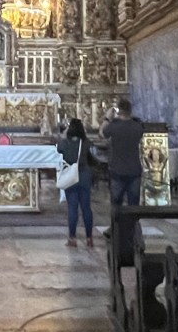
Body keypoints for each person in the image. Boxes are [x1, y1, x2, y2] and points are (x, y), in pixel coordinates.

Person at [57, 117, 94, 248]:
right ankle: (89, 238)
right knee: (86, 208)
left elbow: (58, 150)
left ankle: (72, 238)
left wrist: (64, 134)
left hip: (71, 176)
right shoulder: (86, 142)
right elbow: (93, 156)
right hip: (84, 175)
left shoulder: (65, 143)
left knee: (72, 208)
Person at [100, 98, 144, 207]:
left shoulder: (114, 126)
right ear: (130, 110)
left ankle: (117, 219)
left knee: (116, 205)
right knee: (134, 204)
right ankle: (133, 219)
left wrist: (107, 118)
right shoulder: (137, 126)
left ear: (119, 110)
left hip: (117, 170)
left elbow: (101, 133)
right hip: (134, 170)